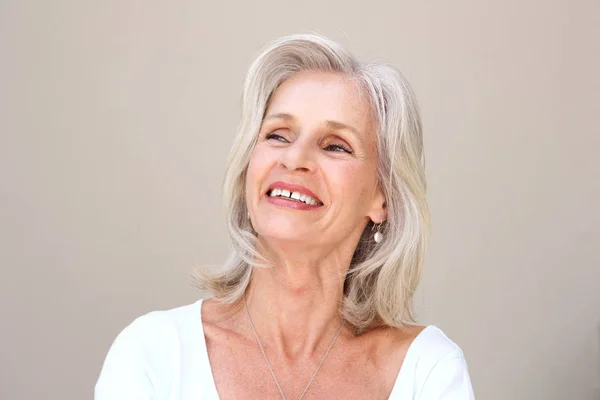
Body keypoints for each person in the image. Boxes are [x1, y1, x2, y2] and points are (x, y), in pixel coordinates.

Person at [95, 33, 475, 399]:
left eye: (335, 146)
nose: (294, 158)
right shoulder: (153, 353)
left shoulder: (428, 369)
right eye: (278, 135)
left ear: (382, 196)